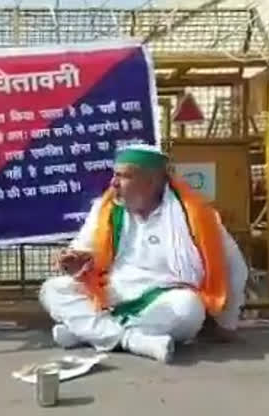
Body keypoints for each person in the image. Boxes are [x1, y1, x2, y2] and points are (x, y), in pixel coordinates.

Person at [39, 144, 248, 363]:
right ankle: (132, 341)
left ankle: (88, 332)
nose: (114, 183)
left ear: (151, 182)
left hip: (164, 298)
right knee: (53, 289)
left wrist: (227, 321)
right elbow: (84, 247)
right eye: (115, 175)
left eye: (124, 176)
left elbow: (235, 265)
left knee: (189, 308)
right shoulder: (106, 209)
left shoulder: (197, 215)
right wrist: (74, 260)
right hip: (112, 293)